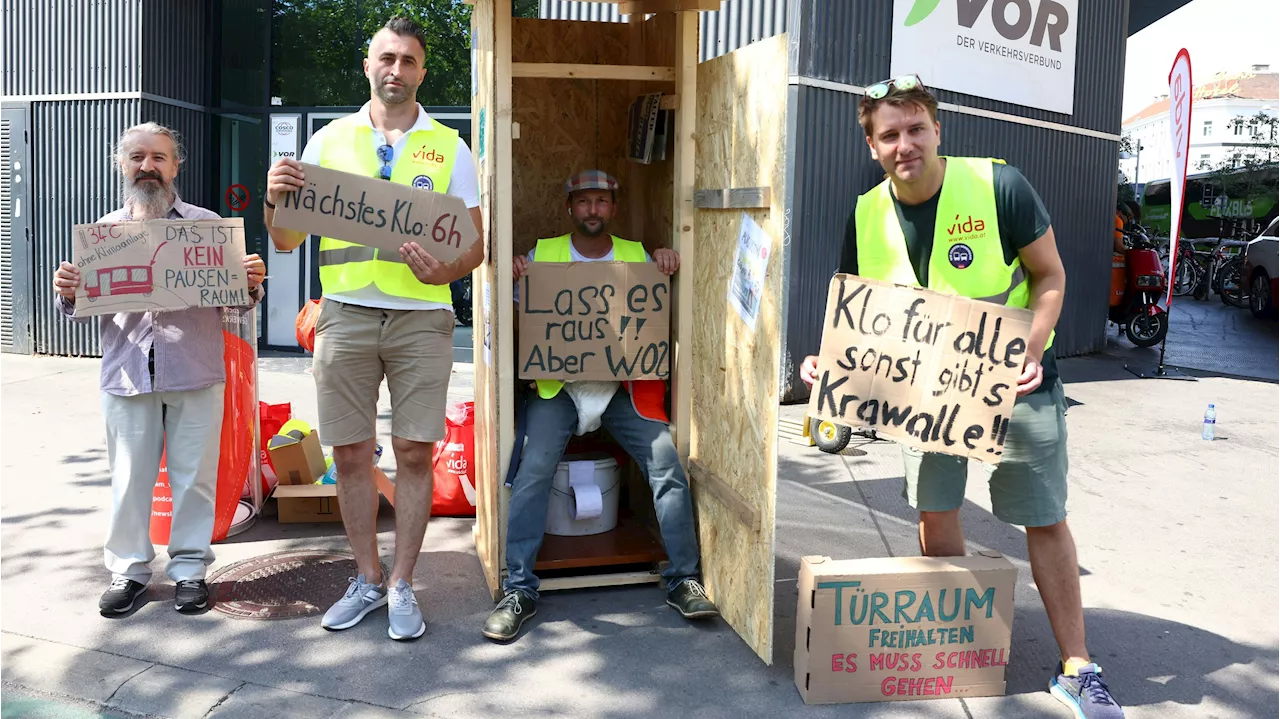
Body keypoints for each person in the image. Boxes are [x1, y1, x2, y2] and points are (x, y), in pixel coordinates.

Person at [799, 76, 1125, 719]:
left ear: (937, 129)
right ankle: (958, 651)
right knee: (936, 511)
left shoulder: (999, 185)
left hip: (1018, 383)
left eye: (916, 128)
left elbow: (1050, 276)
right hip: (925, 396)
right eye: (889, 135)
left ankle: (1078, 666)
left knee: (1043, 515)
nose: (905, 144)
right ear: (872, 146)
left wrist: (1030, 349)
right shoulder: (866, 214)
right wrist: (827, 360)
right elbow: (859, 313)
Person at [263, 16, 483, 642]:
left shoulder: (449, 147)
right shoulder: (327, 141)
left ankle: (402, 584)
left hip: (422, 320)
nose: (396, 69)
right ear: (368, 66)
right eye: (386, 58)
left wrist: (451, 265)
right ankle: (365, 578)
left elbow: (476, 244)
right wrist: (274, 196)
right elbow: (283, 239)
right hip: (347, 316)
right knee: (352, 454)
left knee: (415, 453)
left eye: (408, 60)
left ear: (420, 72)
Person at [481, 170, 717, 642]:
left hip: (620, 387)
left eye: (602, 202)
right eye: (584, 202)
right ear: (569, 208)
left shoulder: (638, 256)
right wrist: (510, 273)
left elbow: (658, 302)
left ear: (613, 207)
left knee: (666, 464)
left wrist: (667, 262)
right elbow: (510, 307)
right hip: (559, 386)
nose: (593, 210)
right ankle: (519, 588)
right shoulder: (542, 255)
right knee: (532, 471)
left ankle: (683, 579)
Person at [52, 122, 265, 617]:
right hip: (127, 373)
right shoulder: (102, 236)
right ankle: (128, 571)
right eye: (137, 157)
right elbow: (83, 308)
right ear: (120, 164)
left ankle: (190, 571)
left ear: (176, 166)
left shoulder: (208, 228)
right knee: (129, 478)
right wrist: (68, 293)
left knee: (194, 479)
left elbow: (237, 306)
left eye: (159, 157)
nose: (148, 166)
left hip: (194, 369)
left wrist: (251, 285)